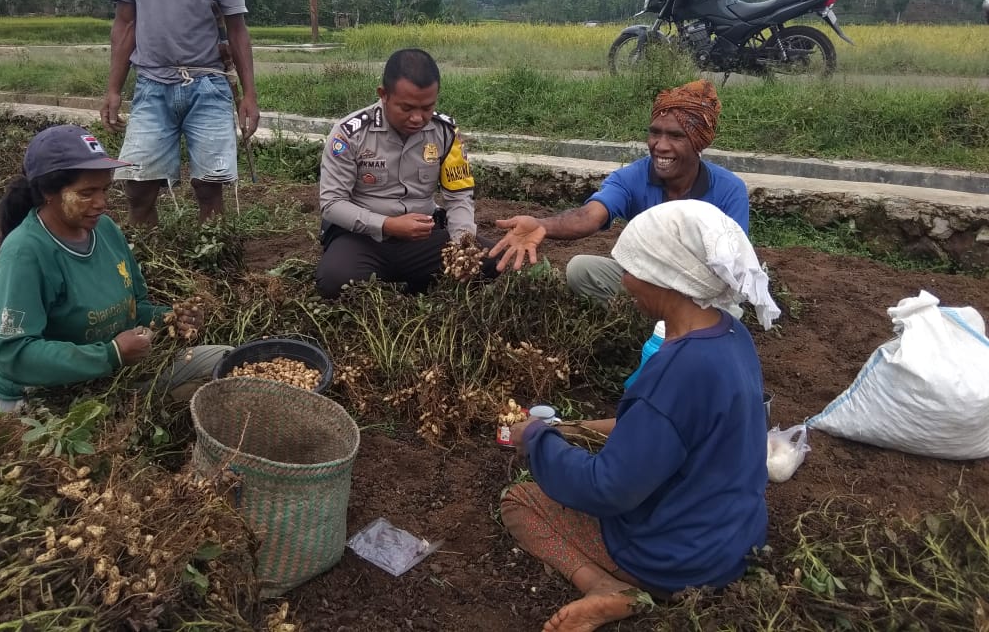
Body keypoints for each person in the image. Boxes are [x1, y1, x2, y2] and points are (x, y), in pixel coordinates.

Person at [502, 199, 780, 632]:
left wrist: (537, 440)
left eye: (632, 269)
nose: (626, 282)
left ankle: (610, 589)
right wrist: (567, 429)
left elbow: (606, 490)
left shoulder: (677, 370)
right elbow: (665, 431)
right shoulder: (731, 335)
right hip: (737, 543)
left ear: (663, 277)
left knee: (520, 501)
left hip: (680, 562)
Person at [0, 124, 230, 412]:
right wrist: (111, 354)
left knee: (227, 362)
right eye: (86, 193)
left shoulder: (104, 230)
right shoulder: (25, 252)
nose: (102, 203)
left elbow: (134, 307)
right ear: (47, 192)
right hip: (48, 397)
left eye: (105, 189)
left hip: (111, 375)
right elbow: (14, 354)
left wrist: (169, 319)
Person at [100, 0, 259, 226]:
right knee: (138, 186)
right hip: (152, 84)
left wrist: (249, 95)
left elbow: (237, 28)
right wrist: (113, 89)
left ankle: (215, 271)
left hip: (207, 84)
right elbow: (125, 23)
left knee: (210, 186)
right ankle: (148, 267)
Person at [489, 79, 749, 303]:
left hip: (701, 294)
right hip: (649, 285)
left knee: (728, 307)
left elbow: (732, 267)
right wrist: (542, 225)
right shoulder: (633, 177)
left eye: (675, 136)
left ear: (698, 142)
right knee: (581, 269)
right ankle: (662, 322)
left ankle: (677, 326)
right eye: (655, 133)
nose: (660, 145)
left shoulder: (728, 190)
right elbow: (590, 216)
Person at [316, 48, 496, 298]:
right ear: (384, 95)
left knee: (495, 260)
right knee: (334, 279)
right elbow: (332, 204)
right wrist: (388, 225)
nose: (417, 118)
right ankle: (415, 282)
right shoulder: (350, 134)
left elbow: (459, 197)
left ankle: (417, 282)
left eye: (427, 107)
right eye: (407, 108)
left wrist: (462, 246)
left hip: (422, 240)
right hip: (363, 239)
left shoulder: (445, 133)